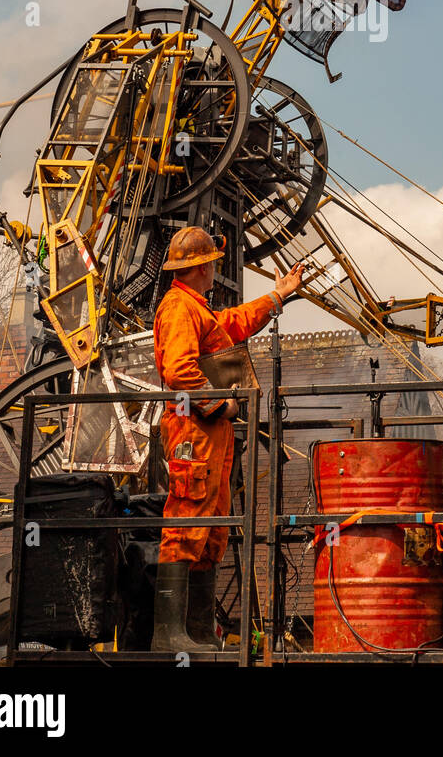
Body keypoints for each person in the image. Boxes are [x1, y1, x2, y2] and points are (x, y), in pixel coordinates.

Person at [151, 225, 303, 652]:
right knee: (187, 519)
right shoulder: (179, 309)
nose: (216, 270)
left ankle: (195, 632)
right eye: (213, 263)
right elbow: (180, 372)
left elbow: (232, 324)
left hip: (208, 436)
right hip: (193, 432)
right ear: (202, 267)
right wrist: (222, 404)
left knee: (212, 527)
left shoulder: (196, 308)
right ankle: (169, 635)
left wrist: (278, 296)